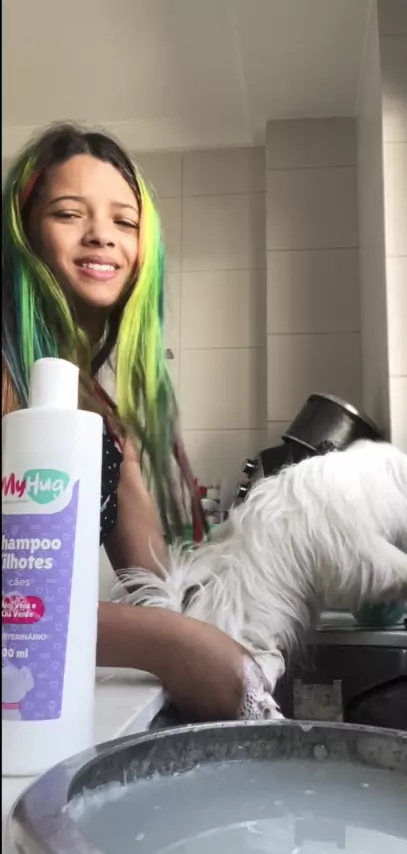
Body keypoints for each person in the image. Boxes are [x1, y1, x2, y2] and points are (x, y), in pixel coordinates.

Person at [2, 123, 248, 721]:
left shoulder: (105, 425)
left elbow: (156, 586)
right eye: (69, 214)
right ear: (25, 234)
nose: (102, 236)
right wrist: (166, 642)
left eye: (125, 222)